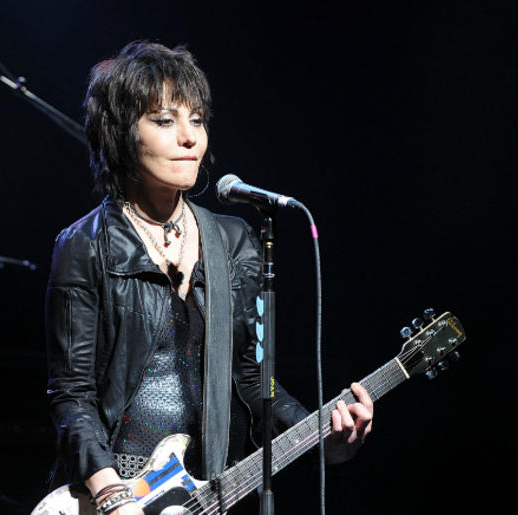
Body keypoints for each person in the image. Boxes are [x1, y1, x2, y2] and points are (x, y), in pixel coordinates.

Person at [43, 40, 373, 515]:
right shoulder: (84, 245)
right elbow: (72, 396)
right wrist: (113, 496)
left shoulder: (235, 242)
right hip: (114, 491)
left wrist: (324, 438)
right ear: (120, 134)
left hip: (202, 494)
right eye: (164, 120)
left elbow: (255, 383)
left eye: (196, 120)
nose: (189, 138)